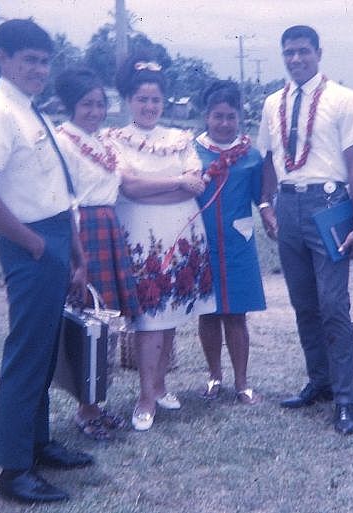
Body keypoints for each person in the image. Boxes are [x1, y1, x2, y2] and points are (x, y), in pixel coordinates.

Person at [0, 19, 92, 503]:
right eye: (29, 60)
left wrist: (73, 251)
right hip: (32, 243)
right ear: (2, 58)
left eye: (44, 61)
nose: (39, 69)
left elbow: (55, 188)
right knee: (27, 354)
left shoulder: (28, 109)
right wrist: (33, 244)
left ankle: (37, 444)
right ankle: (14, 470)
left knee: (44, 349)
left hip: (56, 234)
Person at [55, 67, 192, 439]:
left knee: (106, 324)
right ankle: (86, 410)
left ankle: (94, 406)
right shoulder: (64, 142)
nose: (95, 111)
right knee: (89, 322)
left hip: (108, 228)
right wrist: (76, 256)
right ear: (71, 106)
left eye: (100, 104)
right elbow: (66, 201)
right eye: (86, 105)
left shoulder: (102, 141)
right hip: (84, 230)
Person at [257, 25, 353, 435]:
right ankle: (319, 382)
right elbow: (269, 160)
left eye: (303, 51)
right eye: (289, 52)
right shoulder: (273, 103)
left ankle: (345, 401)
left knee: (332, 303)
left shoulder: (344, 100)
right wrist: (267, 205)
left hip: (329, 204)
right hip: (289, 204)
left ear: (319, 52)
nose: (296, 59)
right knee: (303, 302)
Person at [104, 53, 216, 431]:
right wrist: (175, 184)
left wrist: (171, 189)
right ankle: (144, 397)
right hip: (140, 238)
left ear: (163, 101)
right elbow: (129, 187)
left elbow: (196, 185)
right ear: (128, 101)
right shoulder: (115, 140)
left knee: (168, 314)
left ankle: (160, 384)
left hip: (179, 233)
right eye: (141, 100)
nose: (149, 106)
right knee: (149, 317)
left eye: (155, 100)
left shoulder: (179, 139)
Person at [195, 80, 266, 405]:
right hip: (200, 244)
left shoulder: (251, 156)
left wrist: (270, 215)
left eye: (231, 117)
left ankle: (242, 382)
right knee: (208, 314)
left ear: (239, 118)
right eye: (218, 116)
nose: (224, 123)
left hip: (238, 245)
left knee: (236, 315)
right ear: (207, 117)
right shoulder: (191, 151)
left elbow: (262, 198)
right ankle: (214, 376)